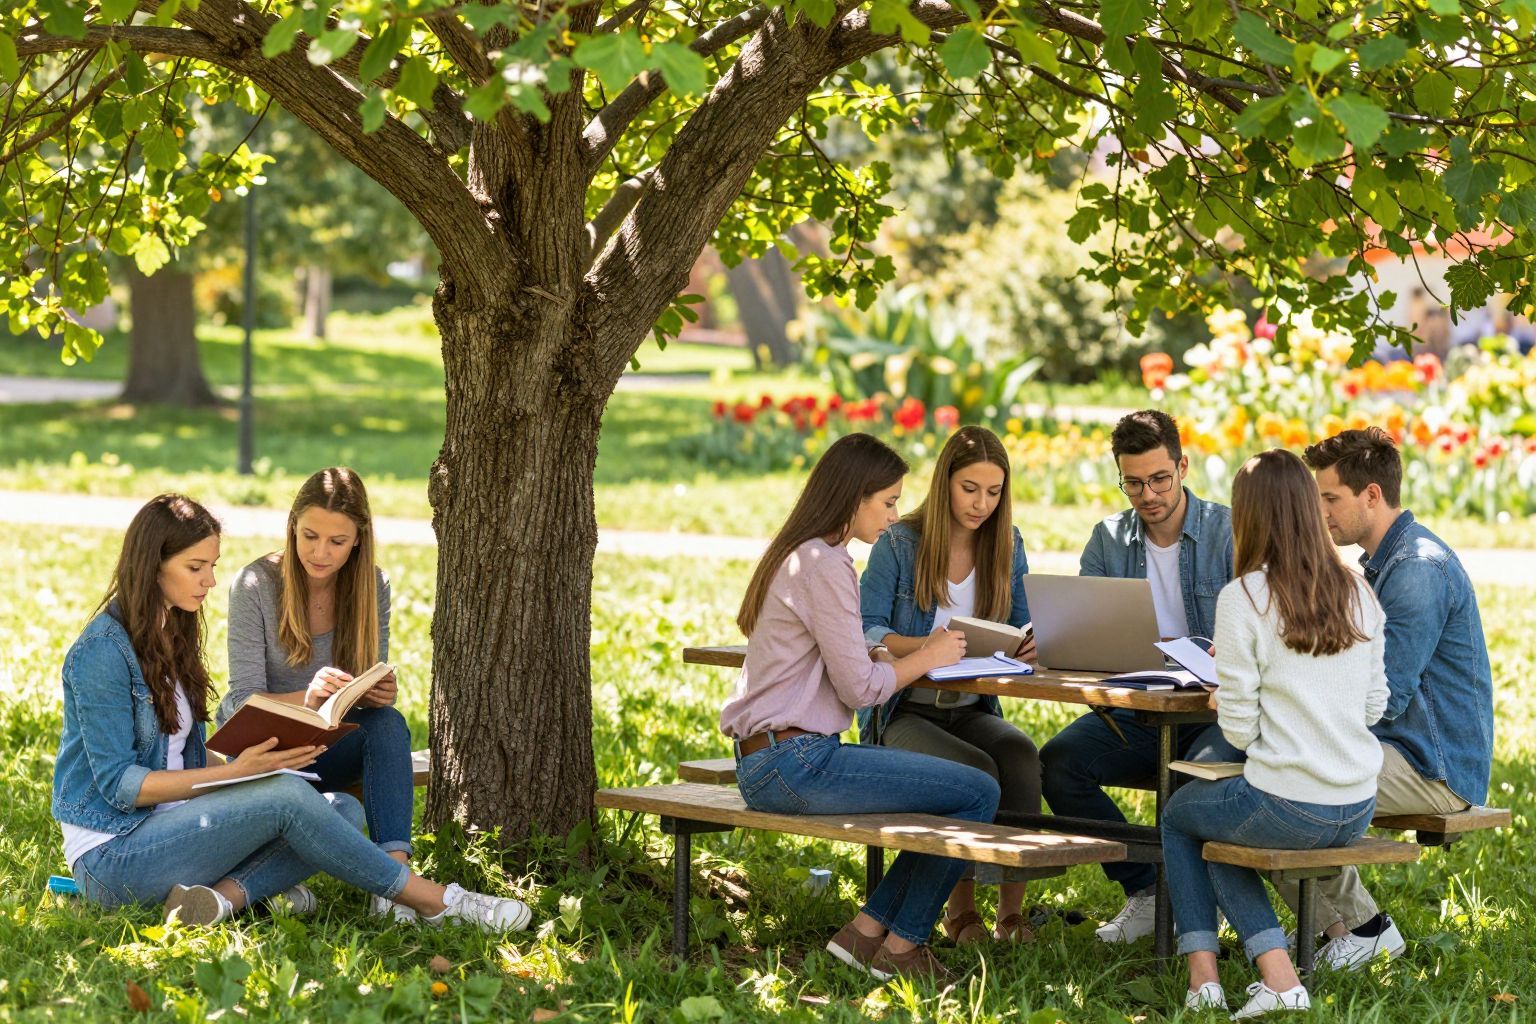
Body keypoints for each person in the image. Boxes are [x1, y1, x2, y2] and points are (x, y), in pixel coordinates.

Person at [52, 494, 532, 930]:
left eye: (212, 565)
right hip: (113, 856)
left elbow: (180, 759)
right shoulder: (102, 652)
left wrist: (252, 766)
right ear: (152, 566)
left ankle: (215, 902)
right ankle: (436, 902)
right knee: (284, 797)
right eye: (196, 567)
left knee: (340, 808)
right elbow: (121, 786)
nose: (211, 581)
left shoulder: (169, 635)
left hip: (174, 830)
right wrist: (237, 774)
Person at [720, 433, 1000, 982]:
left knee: (963, 792)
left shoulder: (803, 554)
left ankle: (866, 935)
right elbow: (863, 691)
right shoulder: (826, 564)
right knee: (979, 790)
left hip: (777, 758)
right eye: (889, 501)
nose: (895, 516)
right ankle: (902, 948)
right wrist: (929, 652)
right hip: (798, 763)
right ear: (854, 500)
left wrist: (877, 651)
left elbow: (841, 658)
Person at [1162, 449, 1388, 1018]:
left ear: (1249, 516)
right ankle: (1240, 979)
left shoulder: (1243, 597)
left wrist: (1226, 698)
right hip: (1356, 801)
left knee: (1179, 816)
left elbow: (1238, 729)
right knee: (1219, 831)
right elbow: (1375, 705)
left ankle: (1225, 976)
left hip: (1290, 802)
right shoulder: (1359, 589)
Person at [1298, 428, 1495, 969]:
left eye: (1330, 498)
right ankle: (1347, 930)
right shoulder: (1384, 563)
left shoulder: (1416, 570)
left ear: (1372, 496)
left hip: (1432, 767)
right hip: (1397, 748)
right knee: (1268, 771)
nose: (1322, 512)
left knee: (1286, 784)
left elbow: (1384, 695)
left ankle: (1364, 929)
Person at [1038, 409, 1234, 944]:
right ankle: (1147, 892)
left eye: (1159, 479)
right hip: (1134, 708)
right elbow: (1084, 629)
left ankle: (1194, 907)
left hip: (1213, 714)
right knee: (1058, 765)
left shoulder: (1229, 531)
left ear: (1183, 467)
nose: (1147, 494)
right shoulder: (1108, 539)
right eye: (1132, 483)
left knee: (1193, 786)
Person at [859, 425, 1042, 944]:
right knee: (974, 769)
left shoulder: (1007, 543)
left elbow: (1026, 622)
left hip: (972, 705)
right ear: (945, 484)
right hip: (904, 711)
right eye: (970, 489)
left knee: (1020, 754)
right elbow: (866, 629)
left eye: (994, 491)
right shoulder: (900, 543)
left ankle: (1011, 914)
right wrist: (928, 649)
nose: (981, 503)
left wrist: (1031, 642)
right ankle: (960, 912)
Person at [220, 467, 420, 922]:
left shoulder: (372, 585)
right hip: (266, 749)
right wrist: (305, 699)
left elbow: (358, 691)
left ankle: (393, 882)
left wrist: (376, 691)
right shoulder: (255, 585)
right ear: (292, 526)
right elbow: (238, 702)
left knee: (388, 724)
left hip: (329, 743)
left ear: (358, 540)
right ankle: (273, 881)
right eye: (309, 536)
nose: (320, 552)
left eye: (336, 541)